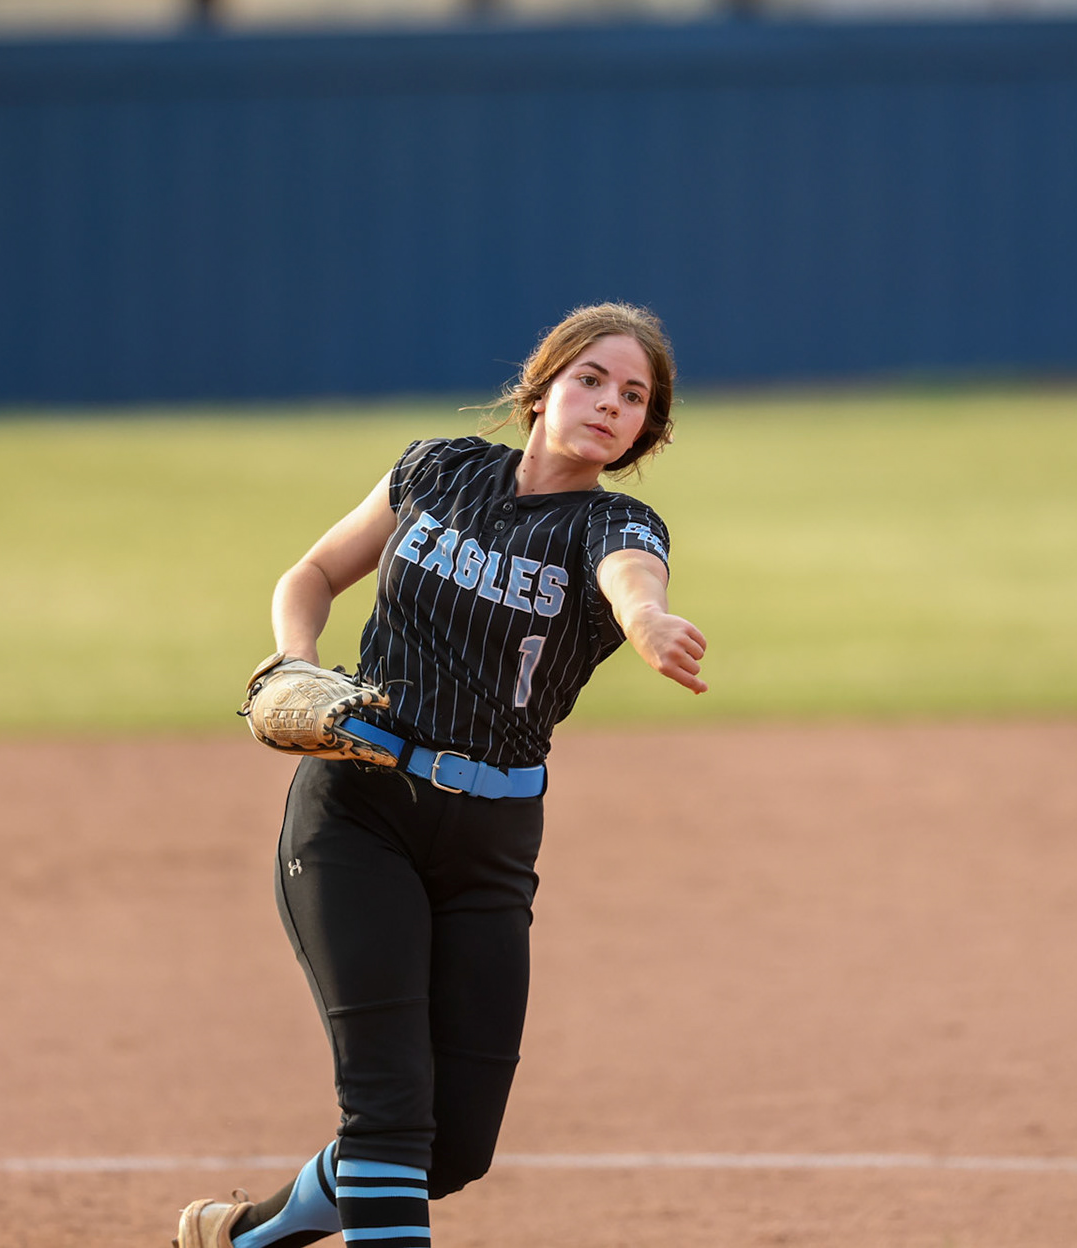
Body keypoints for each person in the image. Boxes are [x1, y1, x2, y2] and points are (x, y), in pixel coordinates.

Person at [175, 302, 707, 1248]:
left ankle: (246, 1237)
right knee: (388, 1116)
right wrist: (292, 659)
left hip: (490, 846)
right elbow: (311, 572)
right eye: (591, 379)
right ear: (541, 387)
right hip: (359, 813)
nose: (609, 403)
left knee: (451, 1149)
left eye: (635, 397)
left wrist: (648, 621)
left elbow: (632, 576)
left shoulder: (614, 522)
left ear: (643, 431)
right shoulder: (437, 468)